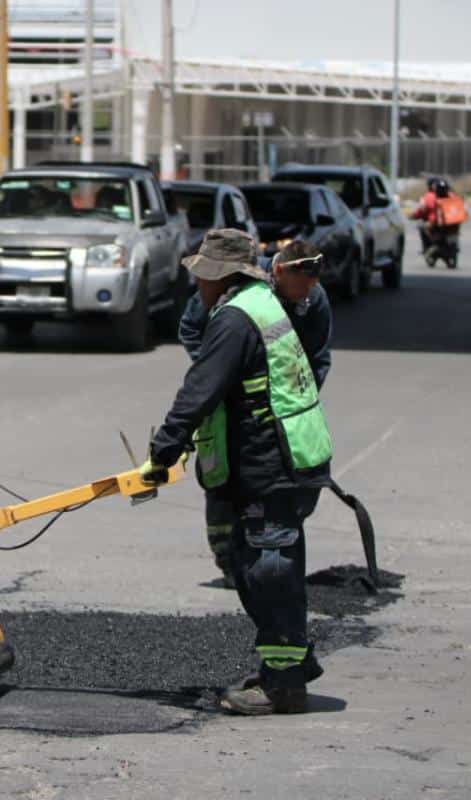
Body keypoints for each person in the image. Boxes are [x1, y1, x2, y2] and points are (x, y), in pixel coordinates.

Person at [140, 228, 333, 716]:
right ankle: (288, 665)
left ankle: (284, 684)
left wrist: (164, 449)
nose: (197, 285)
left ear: (221, 276)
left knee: (270, 570)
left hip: (275, 463)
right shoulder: (256, 305)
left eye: (203, 276)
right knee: (256, 564)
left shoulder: (236, 319)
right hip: (284, 459)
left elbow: (200, 389)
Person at [178, 240, 333, 589]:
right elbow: (190, 329)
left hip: (282, 415)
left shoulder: (315, 300)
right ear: (278, 271)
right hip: (227, 404)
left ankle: (270, 554)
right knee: (221, 478)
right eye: (300, 286)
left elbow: (317, 358)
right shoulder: (236, 289)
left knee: (281, 491)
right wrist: (219, 370)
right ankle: (228, 558)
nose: (306, 293)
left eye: (311, 286)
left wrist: (294, 406)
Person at [412, 177, 464, 263]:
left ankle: (428, 248)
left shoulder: (429, 197)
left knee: (422, 227)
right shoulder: (452, 196)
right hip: (447, 225)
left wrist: (414, 215)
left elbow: (422, 210)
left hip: (440, 225)